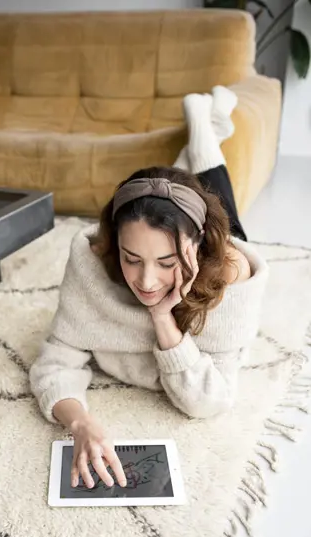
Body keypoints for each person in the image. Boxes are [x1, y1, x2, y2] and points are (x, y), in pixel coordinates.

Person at [29, 87, 268, 491]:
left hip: (218, 244)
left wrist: (162, 317)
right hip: (175, 220)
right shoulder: (93, 257)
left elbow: (210, 401)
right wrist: (80, 422)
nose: (146, 281)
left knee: (212, 194)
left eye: (167, 262)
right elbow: (55, 360)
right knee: (166, 191)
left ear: (193, 248)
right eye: (131, 259)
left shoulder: (230, 274)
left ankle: (206, 128)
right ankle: (204, 128)